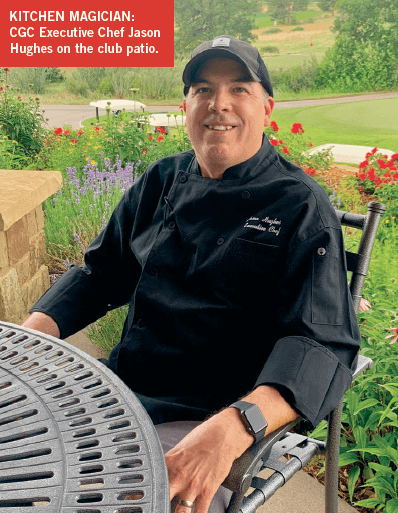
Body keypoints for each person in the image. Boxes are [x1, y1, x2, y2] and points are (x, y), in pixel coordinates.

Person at [22, 35, 361, 513]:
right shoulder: (162, 179)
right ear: (185, 105)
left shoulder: (301, 206)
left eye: (238, 88)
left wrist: (234, 427)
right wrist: (28, 338)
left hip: (210, 415)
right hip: (120, 388)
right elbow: (101, 274)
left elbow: (323, 344)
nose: (218, 104)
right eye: (202, 89)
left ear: (267, 106)